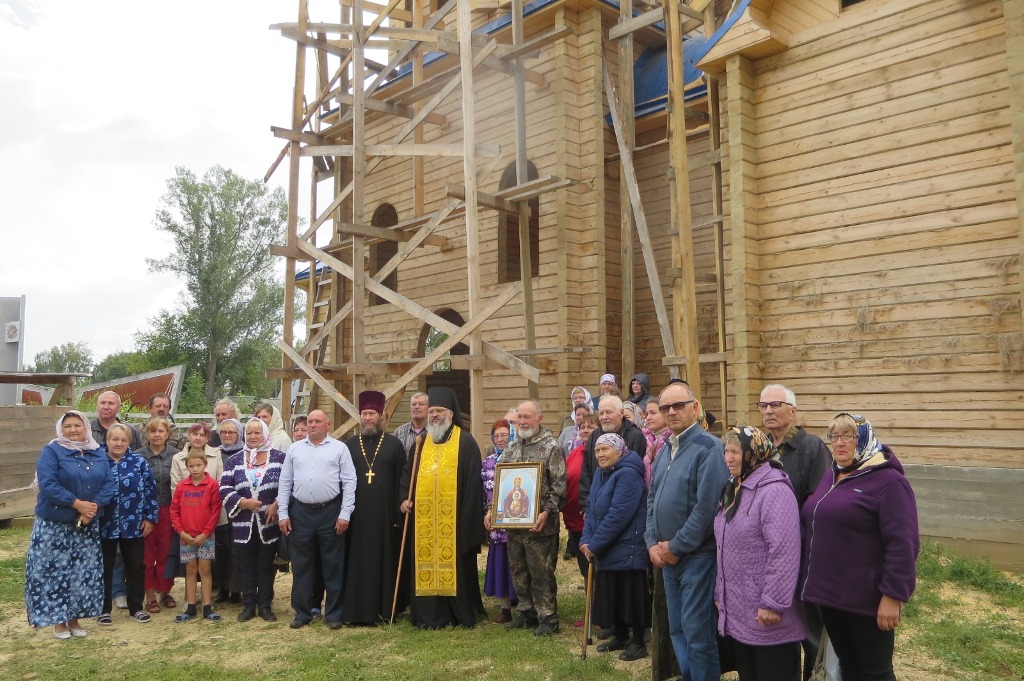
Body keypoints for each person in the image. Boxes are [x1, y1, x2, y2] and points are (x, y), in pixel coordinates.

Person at [801, 414, 919, 681]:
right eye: (834, 437)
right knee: (849, 666)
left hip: (867, 600)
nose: (839, 443)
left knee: (875, 672)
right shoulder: (832, 476)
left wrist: (893, 596)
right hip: (831, 597)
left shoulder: (889, 482)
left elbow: (903, 544)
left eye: (848, 436)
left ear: (864, 438)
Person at [646, 381, 730, 681]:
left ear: (695, 407)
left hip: (697, 558)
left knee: (698, 634)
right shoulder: (664, 447)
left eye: (678, 405)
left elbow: (707, 509)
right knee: (678, 629)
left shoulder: (709, 448)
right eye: (665, 407)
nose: (671, 412)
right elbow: (653, 498)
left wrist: (675, 547)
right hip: (666, 558)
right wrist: (652, 543)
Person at [715, 426, 803, 681]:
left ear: (754, 453)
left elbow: (784, 552)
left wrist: (773, 603)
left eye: (736, 452)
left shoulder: (774, 491)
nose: (728, 458)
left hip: (765, 610)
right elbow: (723, 545)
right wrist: (720, 593)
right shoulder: (734, 488)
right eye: (726, 451)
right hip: (741, 606)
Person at [758, 383, 830, 679]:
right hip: (768, 557)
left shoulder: (811, 447)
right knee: (779, 628)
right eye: (763, 405)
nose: (769, 410)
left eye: (775, 404)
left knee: (811, 631)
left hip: (804, 556)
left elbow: (819, 505)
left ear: (792, 410)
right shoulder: (761, 448)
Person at [399, 387, 485, 629]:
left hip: (454, 523)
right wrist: (403, 500)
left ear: (450, 414)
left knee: (456, 566)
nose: (434, 416)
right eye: (431, 411)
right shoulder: (421, 443)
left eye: (438, 411)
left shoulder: (465, 442)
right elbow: (408, 476)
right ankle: (428, 615)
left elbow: (472, 487)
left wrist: (466, 522)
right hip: (424, 522)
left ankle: (458, 613)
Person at [25, 410, 116, 639]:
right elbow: (48, 483)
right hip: (54, 524)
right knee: (54, 572)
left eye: (77, 425)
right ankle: (58, 622)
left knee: (81, 573)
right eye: (68, 426)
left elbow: (108, 483)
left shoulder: (97, 452)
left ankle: (74, 619)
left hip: (85, 526)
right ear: (61, 429)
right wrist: (77, 504)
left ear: (85, 427)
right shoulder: (52, 451)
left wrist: (92, 507)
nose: (73, 430)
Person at [487, 400, 566, 636]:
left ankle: (548, 617)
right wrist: (493, 510)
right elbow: (502, 485)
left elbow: (559, 486)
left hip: (541, 525)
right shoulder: (511, 448)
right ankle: (527, 612)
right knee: (518, 569)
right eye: (519, 417)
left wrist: (546, 511)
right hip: (513, 524)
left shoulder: (552, 447)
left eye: (527, 417)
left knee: (541, 572)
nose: (522, 422)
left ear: (539, 419)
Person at [277, 409, 357, 629]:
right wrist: (283, 513)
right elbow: (285, 482)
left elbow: (350, 482)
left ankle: (334, 614)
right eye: (310, 421)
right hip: (300, 513)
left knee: (333, 565)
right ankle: (302, 612)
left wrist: (345, 513)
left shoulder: (339, 449)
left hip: (330, 512)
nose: (312, 425)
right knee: (302, 565)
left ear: (327, 424)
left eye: (317, 421)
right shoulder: (294, 449)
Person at [580, 433, 650, 661]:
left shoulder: (628, 474)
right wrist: (586, 540)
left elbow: (619, 515)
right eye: (597, 450)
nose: (600, 454)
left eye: (605, 450)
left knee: (631, 593)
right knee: (613, 591)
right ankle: (620, 635)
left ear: (619, 451)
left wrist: (596, 543)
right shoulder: (602, 473)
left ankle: (638, 641)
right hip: (607, 544)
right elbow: (590, 509)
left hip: (628, 544)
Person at [342, 390, 408, 624]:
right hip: (357, 517)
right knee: (357, 561)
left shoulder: (394, 444)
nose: (368, 418)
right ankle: (357, 610)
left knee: (385, 560)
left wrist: (400, 504)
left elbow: (404, 478)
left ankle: (387, 609)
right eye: (364, 413)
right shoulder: (349, 446)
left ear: (381, 416)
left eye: (372, 413)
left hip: (385, 516)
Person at [220, 418, 284, 622]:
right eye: (249, 433)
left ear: (265, 434)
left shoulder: (279, 458)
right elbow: (224, 487)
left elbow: (287, 484)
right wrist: (242, 502)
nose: (253, 436)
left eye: (257, 432)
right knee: (245, 566)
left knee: (265, 566)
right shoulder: (235, 460)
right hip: (243, 523)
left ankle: (265, 606)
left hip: (268, 524)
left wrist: (277, 503)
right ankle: (248, 606)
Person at [98, 424, 159, 626]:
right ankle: (104, 609)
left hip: (133, 523)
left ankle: (136, 608)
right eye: (115, 439)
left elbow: (151, 490)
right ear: (107, 441)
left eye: (123, 440)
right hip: (104, 523)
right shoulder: (98, 461)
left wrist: (150, 517)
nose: (119, 443)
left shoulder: (138, 462)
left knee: (135, 566)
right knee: (104, 567)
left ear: (129, 442)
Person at [170, 450, 223, 622]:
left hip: (205, 536)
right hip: (186, 536)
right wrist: (181, 532)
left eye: (198, 465)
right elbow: (174, 511)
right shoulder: (181, 487)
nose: (195, 469)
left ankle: (207, 606)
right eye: (191, 466)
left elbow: (215, 511)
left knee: (205, 570)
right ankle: (191, 606)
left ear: (205, 464)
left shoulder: (212, 485)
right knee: (190, 570)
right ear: (186, 467)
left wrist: (206, 533)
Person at [138, 417, 180, 613]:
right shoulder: (138, 456)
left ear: (167, 435)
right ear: (147, 434)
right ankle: (150, 595)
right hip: (145, 511)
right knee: (147, 555)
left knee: (166, 552)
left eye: (160, 431)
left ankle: (165, 591)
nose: (156, 435)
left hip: (168, 509)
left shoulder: (177, 456)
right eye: (152, 431)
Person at [578, 394, 647, 510]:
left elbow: (637, 475)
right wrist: (585, 506)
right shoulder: (594, 435)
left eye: (608, 412)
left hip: (624, 505)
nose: (604, 417)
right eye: (601, 413)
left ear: (621, 413)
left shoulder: (635, 436)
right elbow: (586, 472)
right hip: (595, 504)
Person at [482, 420, 517, 624]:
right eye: (497, 436)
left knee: (519, 565)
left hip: (518, 523)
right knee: (502, 565)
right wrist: (487, 512)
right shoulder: (488, 462)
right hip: (497, 524)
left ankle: (524, 607)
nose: (501, 439)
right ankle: (505, 609)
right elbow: (484, 493)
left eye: (505, 435)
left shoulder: (520, 458)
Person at [562, 412, 597, 585]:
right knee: (585, 568)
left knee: (596, 567)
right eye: (582, 427)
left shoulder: (602, 453)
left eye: (591, 426)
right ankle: (589, 607)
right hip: (574, 519)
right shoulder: (574, 453)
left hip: (594, 521)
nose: (585, 430)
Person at [215, 418, 245, 604]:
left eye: (231, 432)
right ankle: (222, 588)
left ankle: (236, 589)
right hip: (218, 509)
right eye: (223, 432)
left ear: (238, 434)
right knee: (221, 551)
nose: (227, 435)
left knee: (237, 552)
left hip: (238, 508)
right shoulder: (215, 453)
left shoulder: (244, 453)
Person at [643, 397, 670, 488]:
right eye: (646, 414)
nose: (648, 418)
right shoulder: (645, 440)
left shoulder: (672, 440)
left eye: (653, 413)